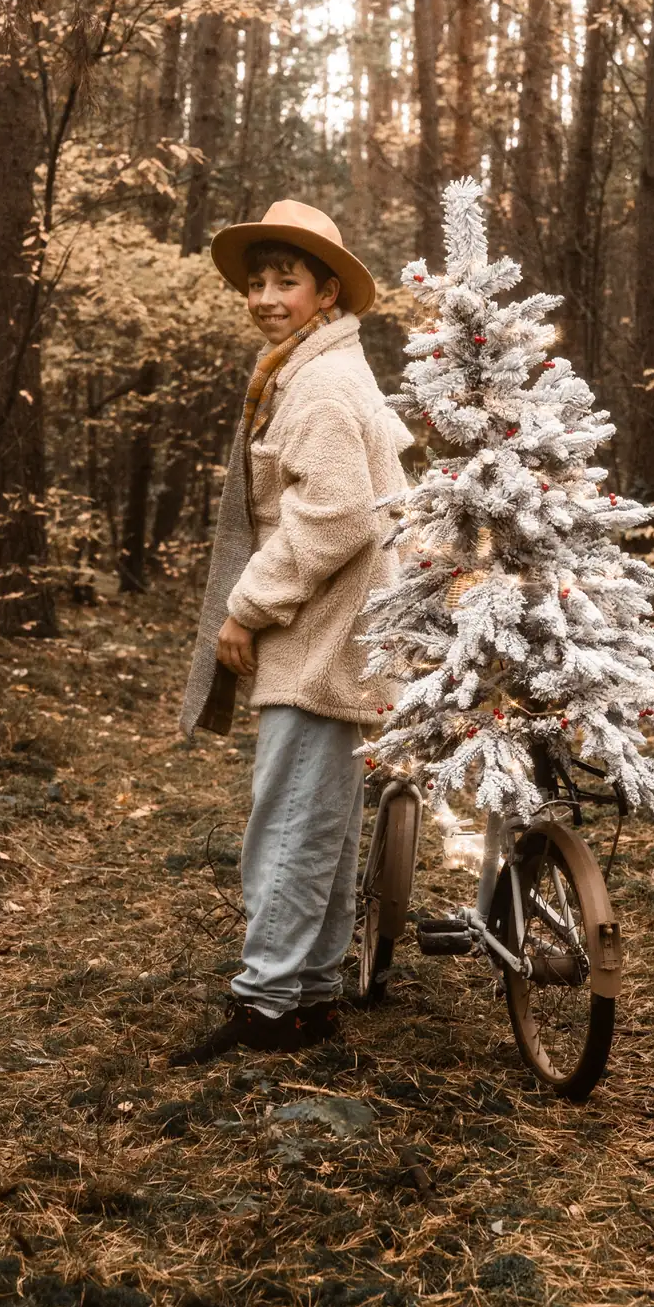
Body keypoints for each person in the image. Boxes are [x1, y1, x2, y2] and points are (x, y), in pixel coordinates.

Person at [173, 201, 411, 1064]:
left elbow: (337, 513)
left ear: (326, 292)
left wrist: (249, 604)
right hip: (335, 628)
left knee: (287, 820)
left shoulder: (319, 384)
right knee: (317, 821)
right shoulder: (311, 369)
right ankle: (305, 994)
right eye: (257, 282)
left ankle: (270, 1007)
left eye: (286, 281)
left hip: (324, 632)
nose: (266, 297)